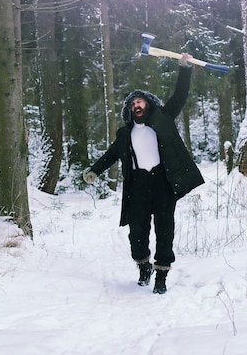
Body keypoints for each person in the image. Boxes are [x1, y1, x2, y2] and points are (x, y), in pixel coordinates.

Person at [83, 53, 204, 294]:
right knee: (136, 231)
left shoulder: (164, 119)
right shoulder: (125, 133)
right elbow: (111, 155)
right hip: (137, 184)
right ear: (129, 109)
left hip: (163, 182)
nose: (136, 106)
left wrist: (185, 69)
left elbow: (180, 96)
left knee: (164, 229)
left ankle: (161, 275)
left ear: (148, 103)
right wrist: (94, 171)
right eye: (132, 104)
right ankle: (143, 265)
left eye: (140, 102)